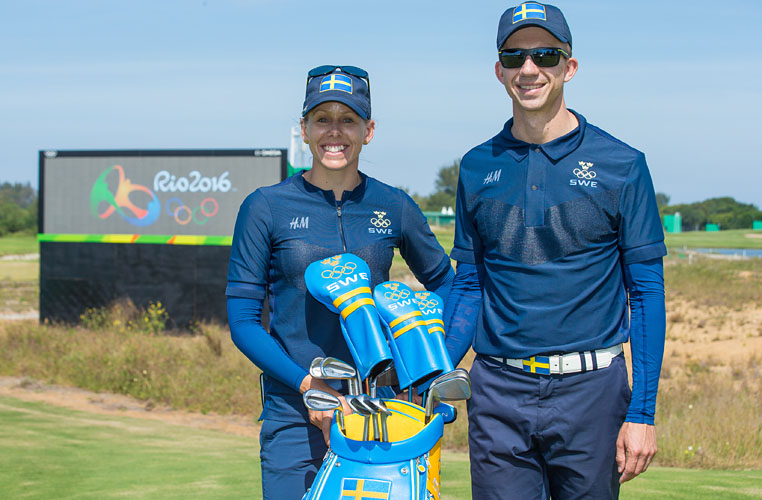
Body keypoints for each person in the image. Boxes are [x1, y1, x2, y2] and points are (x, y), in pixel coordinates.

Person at [443, 3, 667, 499]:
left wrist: (643, 411)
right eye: (514, 56)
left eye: (544, 55)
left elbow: (646, 292)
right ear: (498, 70)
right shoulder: (477, 166)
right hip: (498, 392)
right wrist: (431, 371)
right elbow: (468, 283)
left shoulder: (623, 164)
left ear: (570, 65)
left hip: (592, 393)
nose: (529, 69)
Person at [226, 65, 454, 500]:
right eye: (323, 119)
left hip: (383, 413)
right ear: (305, 129)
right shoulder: (265, 208)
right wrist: (310, 388)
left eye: (348, 119)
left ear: (368, 130)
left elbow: (448, 286)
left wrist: (424, 362)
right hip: (296, 412)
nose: (336, 131)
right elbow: (242, 322)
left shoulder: (395, 205)